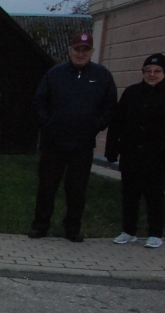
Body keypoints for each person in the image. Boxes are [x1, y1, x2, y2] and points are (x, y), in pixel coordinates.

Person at [30, 32, 117, 242]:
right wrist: (50, 124)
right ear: (71, 50)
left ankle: (73, 228)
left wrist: (95, 126)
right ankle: (40, 225)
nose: (81, 53)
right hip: (54, 142)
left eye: (85, 50)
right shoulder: (55, 73)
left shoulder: (102, 76)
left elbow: (110, 107)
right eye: (77, 49)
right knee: (47, 186)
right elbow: (39, 102)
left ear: (91, 52)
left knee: (77, 188)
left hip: (82, 143)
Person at [105, 53, 165, 250]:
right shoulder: (132, 92)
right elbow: (117, 122)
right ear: (142, 72)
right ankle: (128, 231)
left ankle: (155, 233)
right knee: (129, 194)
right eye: (148, 71)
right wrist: (112, 148)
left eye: (157, 71)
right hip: (131, 152)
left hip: (157, 155)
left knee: (155, 195)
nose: (152, 74)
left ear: (164, 72)